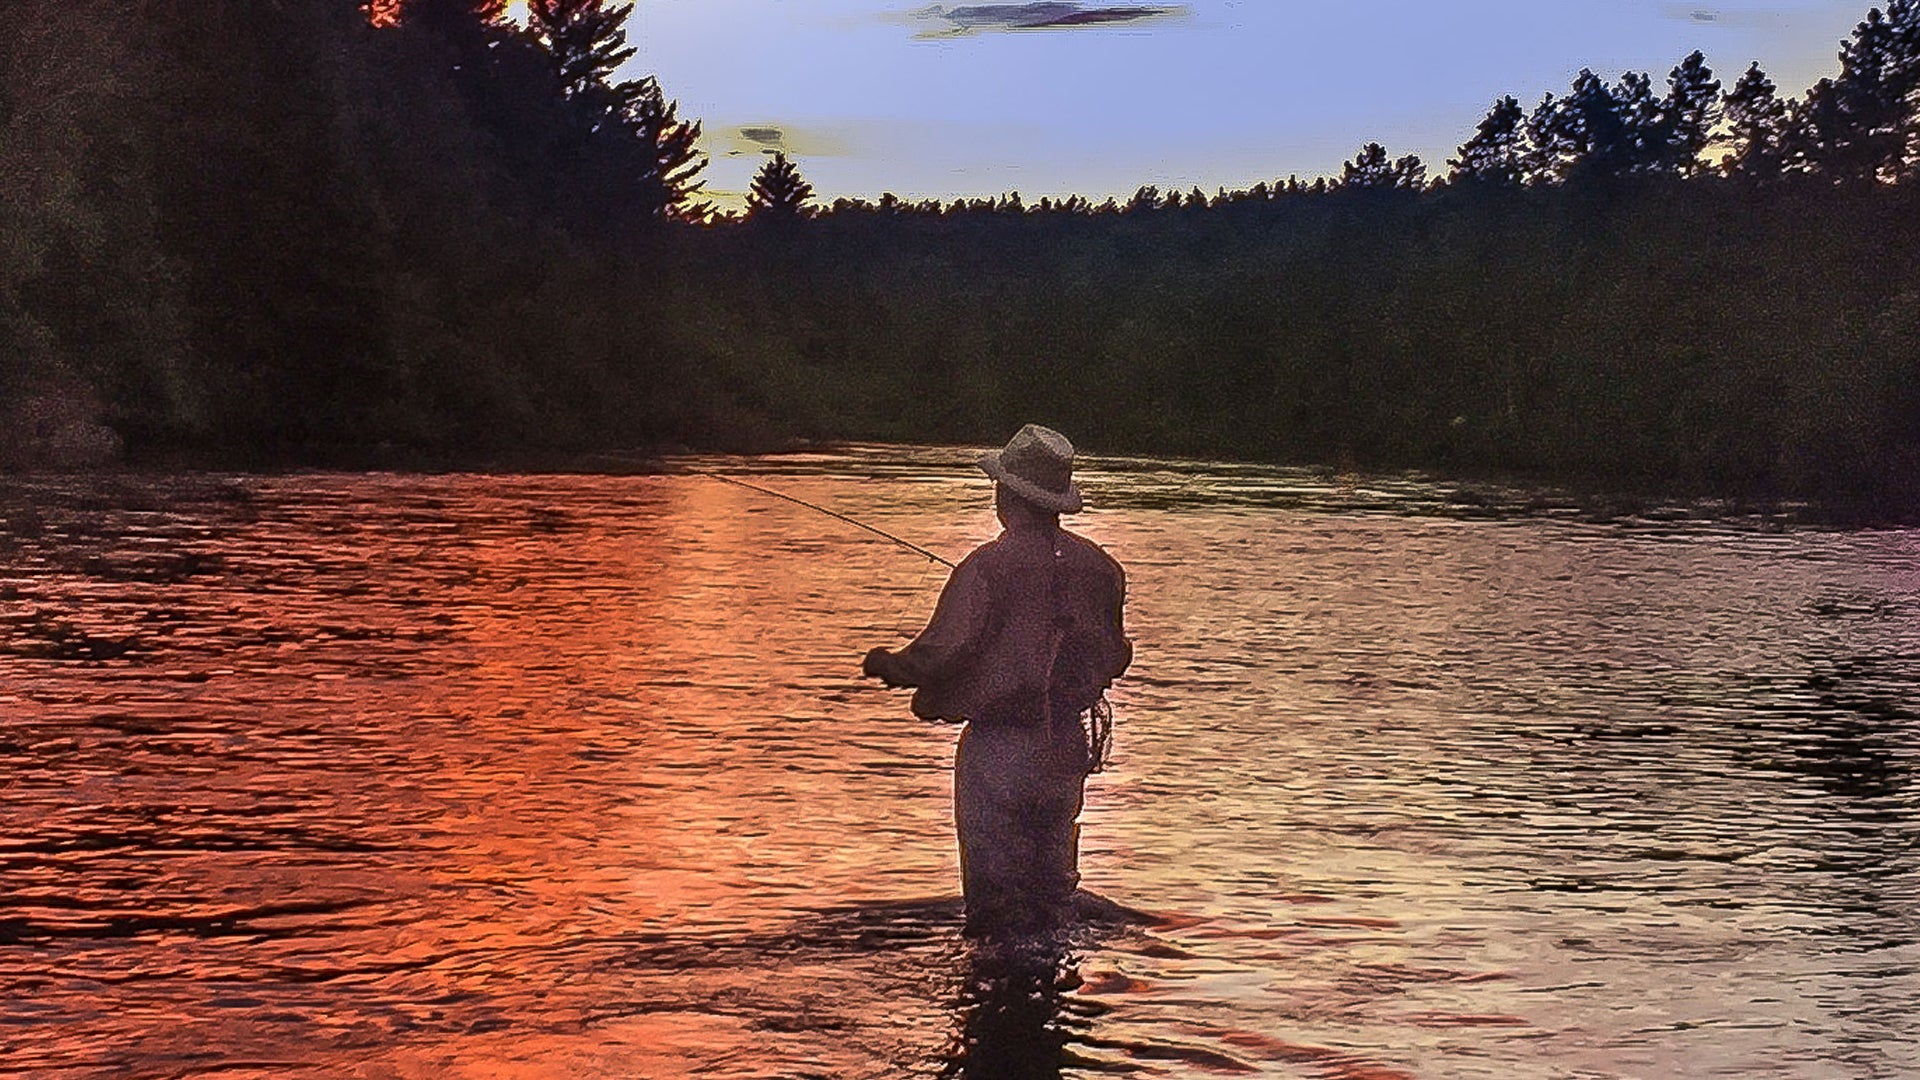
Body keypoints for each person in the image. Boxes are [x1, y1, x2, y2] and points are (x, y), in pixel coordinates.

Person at [862, 424, 1132, 932]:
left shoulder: (987, 567)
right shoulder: (1102, 569)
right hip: (1065, 747)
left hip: (998, 750)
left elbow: (940, 653)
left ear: (1006, 493)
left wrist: (886, 664)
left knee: (992, 904)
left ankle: (996, 995)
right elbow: (1114, 656)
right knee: (1052, 894)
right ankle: (1048, 991)